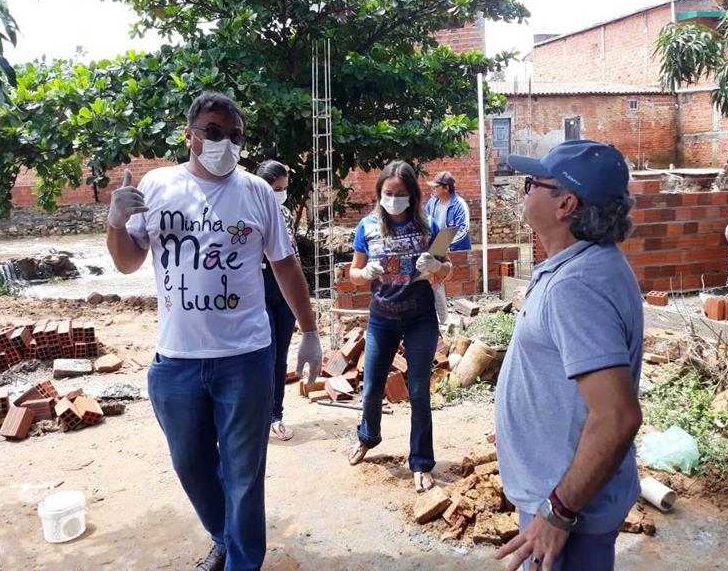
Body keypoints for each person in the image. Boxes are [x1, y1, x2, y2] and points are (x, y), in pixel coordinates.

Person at [106, 91, 322, 571]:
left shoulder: (257, 192)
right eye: (215, 132)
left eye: (235, 135)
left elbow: (284, 266)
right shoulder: (158, 186)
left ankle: (243, 561)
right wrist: (116, 222)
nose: (227, 142)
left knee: (245, 473)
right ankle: (224, 536)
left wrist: (309, 331)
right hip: (176, 361)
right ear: (190, 136)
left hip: (244, 358)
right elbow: (126, 262)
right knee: (191, 464)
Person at [494, 140, 643, 571]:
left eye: (532, 183)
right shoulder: (583, 266)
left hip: (565, 511)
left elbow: (617, 416)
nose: (524, 192)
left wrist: (558, 511)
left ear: (566, 204)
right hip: (563, 497)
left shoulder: (575, 288)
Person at [346, 160, 453, 493]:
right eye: (387, 193)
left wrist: (436, 264)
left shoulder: (429, 227)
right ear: (379, 193)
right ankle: (368, 437)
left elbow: (446, 269)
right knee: (373, 385)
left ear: (413, 195)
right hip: (382, 318)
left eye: (401, 194)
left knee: (419, 390)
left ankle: (421, 461)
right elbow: (353, 271)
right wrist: (364, 274)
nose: (393, 199)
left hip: (420, 317)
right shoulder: (367, 227)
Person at [255, 160, 299, 441]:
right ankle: (256, 417)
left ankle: (276, 415)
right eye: (275, 188)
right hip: (257, 287)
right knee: (263, 355)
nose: (280, 194)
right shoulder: (246, 215)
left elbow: (291, 259)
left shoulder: (285, 214)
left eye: (283, 189)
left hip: (283, 290)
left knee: (280, 356)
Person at [425, 171, 472, 251]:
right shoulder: (431, 203)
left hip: (457, 251)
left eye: (436, 186)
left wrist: (440, 245)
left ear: (446, 188)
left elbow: (462, 230)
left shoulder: (459, 205)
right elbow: (425, 223)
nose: (433, 189)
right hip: (437, 251)